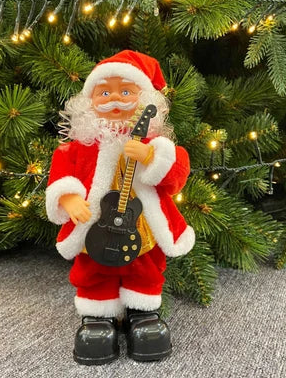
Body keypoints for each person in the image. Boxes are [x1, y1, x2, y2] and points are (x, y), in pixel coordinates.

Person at [45, 50, 195, 365]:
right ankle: (98, 313)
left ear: (146, 101)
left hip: (142, 225)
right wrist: (68, 198)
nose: (115, 99)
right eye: (104, 92)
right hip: (94, 225)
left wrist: (152, 157)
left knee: (146, 266)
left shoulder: (155, 144)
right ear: (88, 102)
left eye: (126, 92)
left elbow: (177, 175)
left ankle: (142, 311)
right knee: (93, 268)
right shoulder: (79, 146)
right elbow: (61, 174)